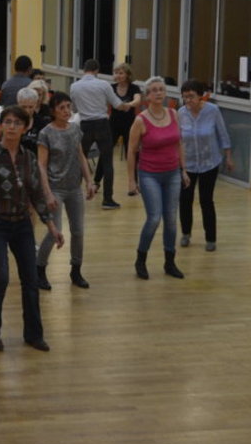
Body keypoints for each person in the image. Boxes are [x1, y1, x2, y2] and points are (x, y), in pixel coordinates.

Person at [0, 105, 63, 353]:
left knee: (30, 280)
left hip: (22, 224)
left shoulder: (28, 158)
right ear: (1, 125)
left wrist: (51, 226)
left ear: (25, 128)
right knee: (0, 278)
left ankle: (34, 334)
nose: (11, 127)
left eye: (17, 123)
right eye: (8, 122)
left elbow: (36, 194)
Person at [126, 77, 188, 280]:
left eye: (161, 89)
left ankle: (170, 262)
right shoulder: (140, 120)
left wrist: (184, 169)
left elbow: (179, 143)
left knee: (171, 220)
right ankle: (140, 259)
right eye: (154, 90)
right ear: (147, 96)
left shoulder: (173, 114)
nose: (159, 93)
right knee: (154, 218)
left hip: (172, 173)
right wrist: (131, 180)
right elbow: (131, 151)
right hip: (149, 174)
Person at [36, 93, 96, 290]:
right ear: (53, 111)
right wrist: (47, 193)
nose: (66, 111)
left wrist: (89, 181)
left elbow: (81, 156)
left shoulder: (74, 129)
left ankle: (76, 270)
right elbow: (41, 165)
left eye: (68, 106)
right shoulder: (45, 133)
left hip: (74, 188)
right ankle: (39, 269)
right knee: (55, 231)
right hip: (55, 188)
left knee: (78, 231)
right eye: (61, 107)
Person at [72, 58, 137, 209]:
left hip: (85, 125)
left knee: (80, 160)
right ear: (97, 71)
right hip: (102, 125)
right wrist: (127, 106)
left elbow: (74, 108)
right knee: (107, 162)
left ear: (84, 70)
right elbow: (117, 104)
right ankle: (107, 200)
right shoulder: (103, 84)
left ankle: (75, 196)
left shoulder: (74, 86)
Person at [178, 80, 234, 252]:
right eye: (185, 97)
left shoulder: (213, 111)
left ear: (200, 96)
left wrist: (228, 157)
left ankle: (211, 238)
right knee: (185, 200)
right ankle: (186, 233)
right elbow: (178, 139)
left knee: (206, 200)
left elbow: (222, 134)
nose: (188, 100)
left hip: (209, 162)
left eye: (191, 96)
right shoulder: (181, 113)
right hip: (188, 164)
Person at [108, 63, 142, 163]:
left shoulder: (134, 88)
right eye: (116, 73)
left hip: (130, 124)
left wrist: (128, 105)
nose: (117, 75)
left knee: (131, 152)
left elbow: (137, 100)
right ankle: (100, 173)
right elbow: (105, 102)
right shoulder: (111, 87)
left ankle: (133, 173)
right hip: (113, 123)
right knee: (106, 150)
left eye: (120, 73)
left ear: (127, 74)